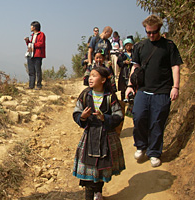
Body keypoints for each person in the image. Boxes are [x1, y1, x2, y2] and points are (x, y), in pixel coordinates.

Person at [125, 14, 183, 167]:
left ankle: (154, 152)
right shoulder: (140, 46)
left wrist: (175, 87)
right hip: (143, 89)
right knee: (138, 117)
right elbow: (135, 67)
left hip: (163, 91)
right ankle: (141, 146)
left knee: (157, 122)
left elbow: (175, 66)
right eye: (148, 32)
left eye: (154, 32)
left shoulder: (169, 46)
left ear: (159, 29)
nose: (151, 35)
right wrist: (130, 86)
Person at [73, 66, 125, 200]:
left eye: (94, 76)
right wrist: (82, 116)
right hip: (90, 136)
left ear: (103, 80)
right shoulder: (85, 95)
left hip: (106, 138)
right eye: (90, 76)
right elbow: (76, 112)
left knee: (101, 168)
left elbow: (119, 115)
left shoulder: (109, 96)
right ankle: (91, 195)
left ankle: (98, 193)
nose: (90, 78)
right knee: (89, 170)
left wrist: (105, 118)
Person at [24, 21, 46, 90]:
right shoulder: (33, 35)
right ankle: (31, 85)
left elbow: (41, 44)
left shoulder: (41, 34)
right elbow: (30, 45)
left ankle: (39, 85)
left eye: (31, 26)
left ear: (34, 27)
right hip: (31, 54)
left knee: (38, 70)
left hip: (38, 55)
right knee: (31, 70)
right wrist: (27, 41)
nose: (30, 28)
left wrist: (32, 45)